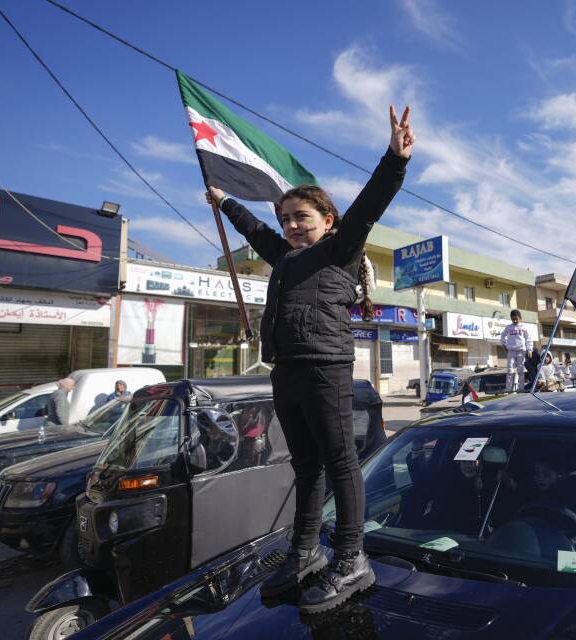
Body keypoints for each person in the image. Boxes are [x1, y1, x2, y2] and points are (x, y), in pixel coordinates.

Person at [206, 104, 414, 612]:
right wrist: (226, 202)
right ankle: (305, 553)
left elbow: (369, 205)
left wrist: (394, 159)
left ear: (327, 221)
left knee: (342, 463)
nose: (292, 227)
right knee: (306, 465)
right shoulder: (286, 257)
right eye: (286, 220)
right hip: (287, 371)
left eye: (301, 217)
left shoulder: (339, 249)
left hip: (326, 367)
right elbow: (255, 232)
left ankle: (350, 559)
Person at [500, 310, 531, 392]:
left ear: (520, 318)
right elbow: (502, 336)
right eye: (513, 319)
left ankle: (521, 388)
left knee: (520, 370)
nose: (515, 321)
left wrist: (529, 349)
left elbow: (528, 339)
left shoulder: (524, 327)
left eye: (516, 319)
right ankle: (508, 389)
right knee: (509, 370)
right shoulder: (508, 327)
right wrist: (504, 345)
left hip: (521, 351)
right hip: (511, 351)